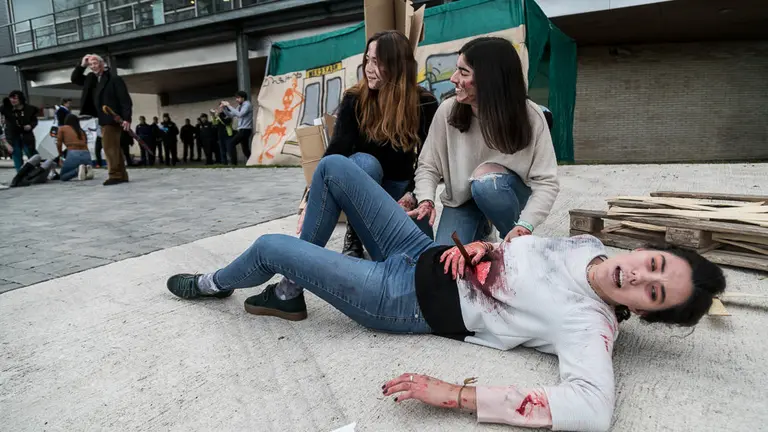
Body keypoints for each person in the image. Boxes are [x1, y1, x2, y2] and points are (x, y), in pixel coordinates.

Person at [166, 155, 725, 432]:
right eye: (654, 265)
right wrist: (485, 249)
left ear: (643, 311)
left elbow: (593, 409)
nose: (639, 278)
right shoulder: (588, 244)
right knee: (337, 167)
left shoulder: (590, 326)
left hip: (401, 299)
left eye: (654, 293)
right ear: (646, 248)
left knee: (271, 245)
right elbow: (522, 258)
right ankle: (289, 294)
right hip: (420, 250)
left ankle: (215, 284)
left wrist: (457, 396)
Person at [410, 37, 559, 245]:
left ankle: (516, 244)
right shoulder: (447, 111)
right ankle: (482, 229)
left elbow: (547, 182)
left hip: (507, 195)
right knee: (445, 262)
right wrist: (426, 198)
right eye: (456, 69)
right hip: (462, 202)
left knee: (487, 183)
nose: (453, 78)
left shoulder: (531, 116)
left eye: (463, 72)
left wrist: (525, 224)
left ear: (489, 80)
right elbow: (428, 165)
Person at [307, 30, 438, 259]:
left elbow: (430, 157)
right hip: (363, 185)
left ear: (396, 65)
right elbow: (337, 151)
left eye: (376, 62)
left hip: (399, 191)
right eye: (367, 59)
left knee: (420, 257)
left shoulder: (423, 102)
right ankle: (355, 235)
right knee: (365, 163)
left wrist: (412, 195)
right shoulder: (355, 98)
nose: (368, 67)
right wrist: (310, 197)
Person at [71, 54, 132, 185]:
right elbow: (75, 79)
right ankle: (121, 175)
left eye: (95, 63)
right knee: (114, 147)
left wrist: (127, 119)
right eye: (91, 64)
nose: (93, 66)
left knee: (109, 146)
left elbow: (125, 100)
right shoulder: (91, 79)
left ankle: (115, 175)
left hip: (113, 117)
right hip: (102, 117)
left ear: (102, 63)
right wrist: (82, 65)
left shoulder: (114, 79)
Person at [0, 90, 39, 172]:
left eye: (15, 98)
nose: (12, 100)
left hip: (26, 135)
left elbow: (34, 121)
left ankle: (37, 170)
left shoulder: (29, 109)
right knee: (16, 154)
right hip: (13, 135)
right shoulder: (6, 109)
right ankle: (20, 173)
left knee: (30, 152)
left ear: (20, 99)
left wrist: (30, 126)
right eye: (11, 98)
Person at [56, 113, 94, 181]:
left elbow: (59, 143)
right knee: (80, 165)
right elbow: (86, 144)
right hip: (86, 155)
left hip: (73, 153)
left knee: (63, 176)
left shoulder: (62, 128)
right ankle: (86, 169)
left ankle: (77, 170)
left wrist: (60, 156)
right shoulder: (81, 131)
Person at [220, 90, 253, 165]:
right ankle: (252, 162)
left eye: (238, 98)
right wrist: (224, 108)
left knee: (231, 144)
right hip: (242, 129)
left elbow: (240, 114)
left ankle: (234, 163)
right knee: (245, 149)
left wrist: (229, 105)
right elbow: (231, 114)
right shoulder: (240, 106)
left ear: (243, 98)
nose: (236, 100)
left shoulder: (247, 105)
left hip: (245, 129)